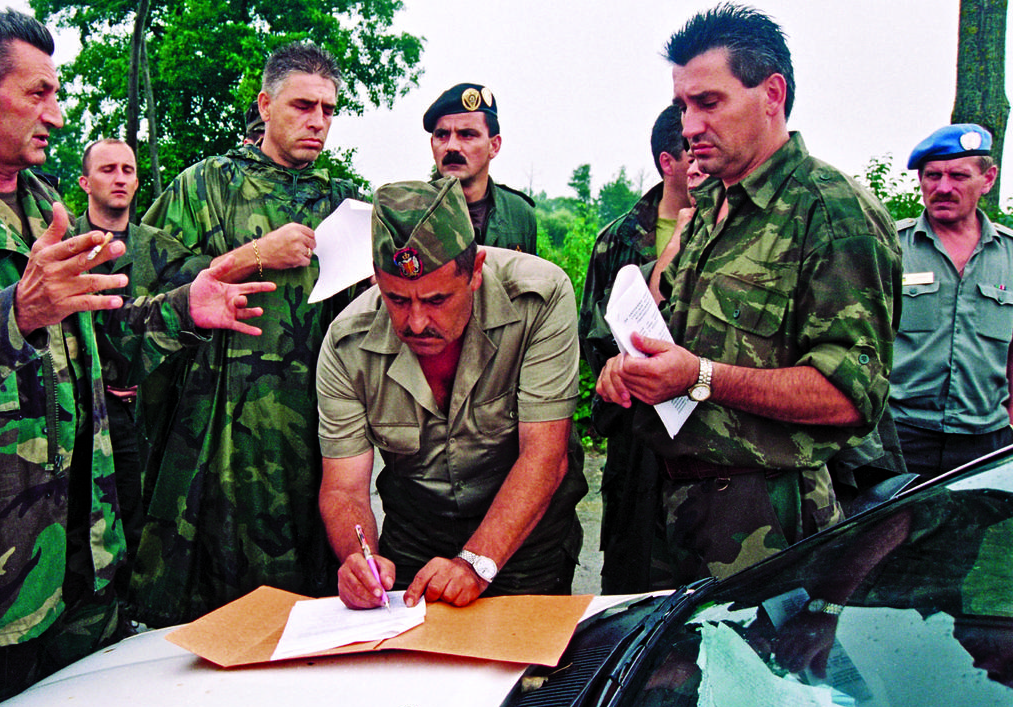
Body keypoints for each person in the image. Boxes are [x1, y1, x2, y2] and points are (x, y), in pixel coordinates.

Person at [0, 8, 273, 707]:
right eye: (38, 93)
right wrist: (15, 313)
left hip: (83, 578)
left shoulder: (49, 210)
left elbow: (105, 352)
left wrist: (182, 310)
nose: (57, 113)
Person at [596, 3, 901, 588]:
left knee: (767, 675)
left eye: (708, 103)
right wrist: (630, 368)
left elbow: (849, 396)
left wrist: (701, 377)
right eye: (684, 106)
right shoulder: (712, 206)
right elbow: (679, 341)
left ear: (772, 93)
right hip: (674, 502)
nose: (688, 126)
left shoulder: (832, 212)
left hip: (766, 515)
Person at [130, 41, 363, 627]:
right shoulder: (205, 185)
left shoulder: (341, 205)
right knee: (217, 600)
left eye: (328, 110)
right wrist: (253, 254)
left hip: (315, 431)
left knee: (309, 604)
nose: (317, 122)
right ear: (264, 105)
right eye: (302, 105)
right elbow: (147, 289)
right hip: (216, 428)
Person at [317, 178, 586, 609]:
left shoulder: (539, 298)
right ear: (375, 280)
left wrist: (473, 564)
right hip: (414, 543)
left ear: (476, 270)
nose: (417, 321)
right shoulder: (347, 344)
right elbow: (344, 488)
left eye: (437, 299)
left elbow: (545, 457)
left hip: (526, 545)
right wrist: (358, 556)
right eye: (397, 299)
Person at [579, 105, 695, 593]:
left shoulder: (736, 231)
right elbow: (594, 336)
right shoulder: (618, 241)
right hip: (638, 445)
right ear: (668, 161)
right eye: (692, 149)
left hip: (710, 446)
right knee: (630, 592)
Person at [73, 138, 171, 594]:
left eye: (128, 170)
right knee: (89, 522)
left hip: (148, 410)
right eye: (108, 169)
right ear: (85, 182)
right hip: (86, 413)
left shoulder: (157, 247)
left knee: (147, 515)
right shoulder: (67, 248)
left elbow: (200, 292)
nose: (120, 178)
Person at [890, 123, 1013, 480]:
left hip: (985, 440)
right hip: (901, 435)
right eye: (933, 176)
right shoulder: (890, 248)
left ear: (988, 179)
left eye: (958, 175)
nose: (943, 187)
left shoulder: (1010, 255)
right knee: (889, 535)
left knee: (964, 535)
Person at [424, 82, 537, 253]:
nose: (451, 146)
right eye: (442, 135)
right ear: (432, 144)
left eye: (467, 134)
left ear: (494, 146)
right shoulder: (408, 212)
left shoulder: (519, 213)